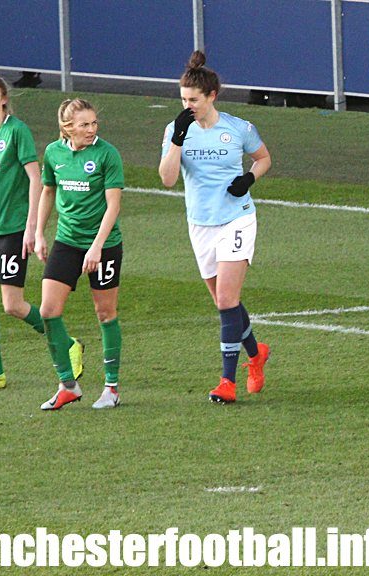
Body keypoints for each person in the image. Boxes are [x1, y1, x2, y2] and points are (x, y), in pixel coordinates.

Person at [158, 51, 272, 404]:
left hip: (236, 218)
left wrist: (248, 179)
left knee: (226, 299)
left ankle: (227, 381)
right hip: (200, 224)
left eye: (193, 99)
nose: (187, 105)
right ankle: (256, 353)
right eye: (183, 100)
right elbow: (167, 179)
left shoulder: (238, 128)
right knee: (226, 304)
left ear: (212, 96)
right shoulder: (177, 130)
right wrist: (177, 139)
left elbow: (264, 157)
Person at [0, 73, 83, 391]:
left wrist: (31, 227)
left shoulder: (17, 132)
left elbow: (35, 179)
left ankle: (68, 343)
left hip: (13, 230)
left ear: (3, 99)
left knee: (13, 304)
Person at [35, 98, 124, 410]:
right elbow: (48, 191)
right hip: (67, 241)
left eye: (93, 123)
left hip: (104, 244)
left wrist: (97, 246)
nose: (91, 129)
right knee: (48, 311)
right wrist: (38, 233)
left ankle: (111, 388)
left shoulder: (107, 154)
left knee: (105, 313)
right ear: (67, 127)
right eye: (84, 124)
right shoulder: (53, 153)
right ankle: (67, 385)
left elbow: (113, 204)